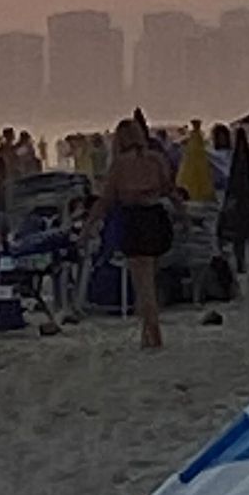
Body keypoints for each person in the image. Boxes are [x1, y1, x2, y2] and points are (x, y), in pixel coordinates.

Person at [82, 119, 174, 349]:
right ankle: (147, 333)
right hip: (156, 217)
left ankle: (153, 331)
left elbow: (106, 200)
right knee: (150, 278)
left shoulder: (120, 165)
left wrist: (88, 226)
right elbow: (169, 190)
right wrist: (183, 217)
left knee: (142, 282)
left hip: (134, 219)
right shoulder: (156, 159)